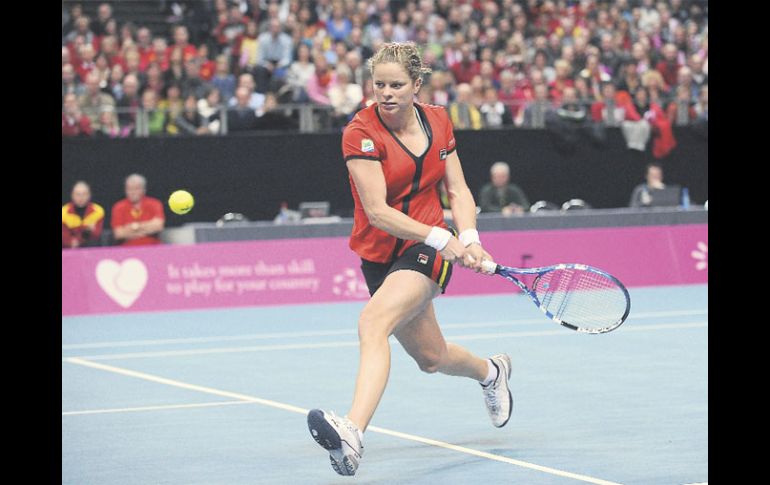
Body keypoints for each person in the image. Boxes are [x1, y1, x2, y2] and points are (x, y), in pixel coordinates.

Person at [306, 42, 512, 477]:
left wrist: (469, 237)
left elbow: (457, 189)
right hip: (384, 252)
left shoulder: (438, 120)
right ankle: (491, 372)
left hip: (424, 251)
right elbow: (378, 211)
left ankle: (352, 434)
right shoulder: (359, 132)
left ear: (416, 85)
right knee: (431, 357)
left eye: (397, 84)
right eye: (379, 84)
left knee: (371, 323)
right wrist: (443, 236)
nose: (386, 92)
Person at [110, 174, 165, 246]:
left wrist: (134, 227)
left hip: (152, 248)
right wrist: (147, 228)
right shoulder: (118, 207)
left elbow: (158, 226)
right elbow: (119, 234)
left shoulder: (154, 203)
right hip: (126, 250)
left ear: (143, 189)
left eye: (136, 188)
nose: (132, 192)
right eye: (129, 189)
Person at [62, 181, 104, 249]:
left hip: (90, 247)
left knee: (93, 242)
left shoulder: (97, 211)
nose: (81, 197)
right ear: (72, 195)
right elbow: (64, 237)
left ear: (89, 195)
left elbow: (97, 235)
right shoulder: (63, 212)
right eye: (77, 194)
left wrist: (90, 232)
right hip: (68, 248)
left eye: (84, 194)